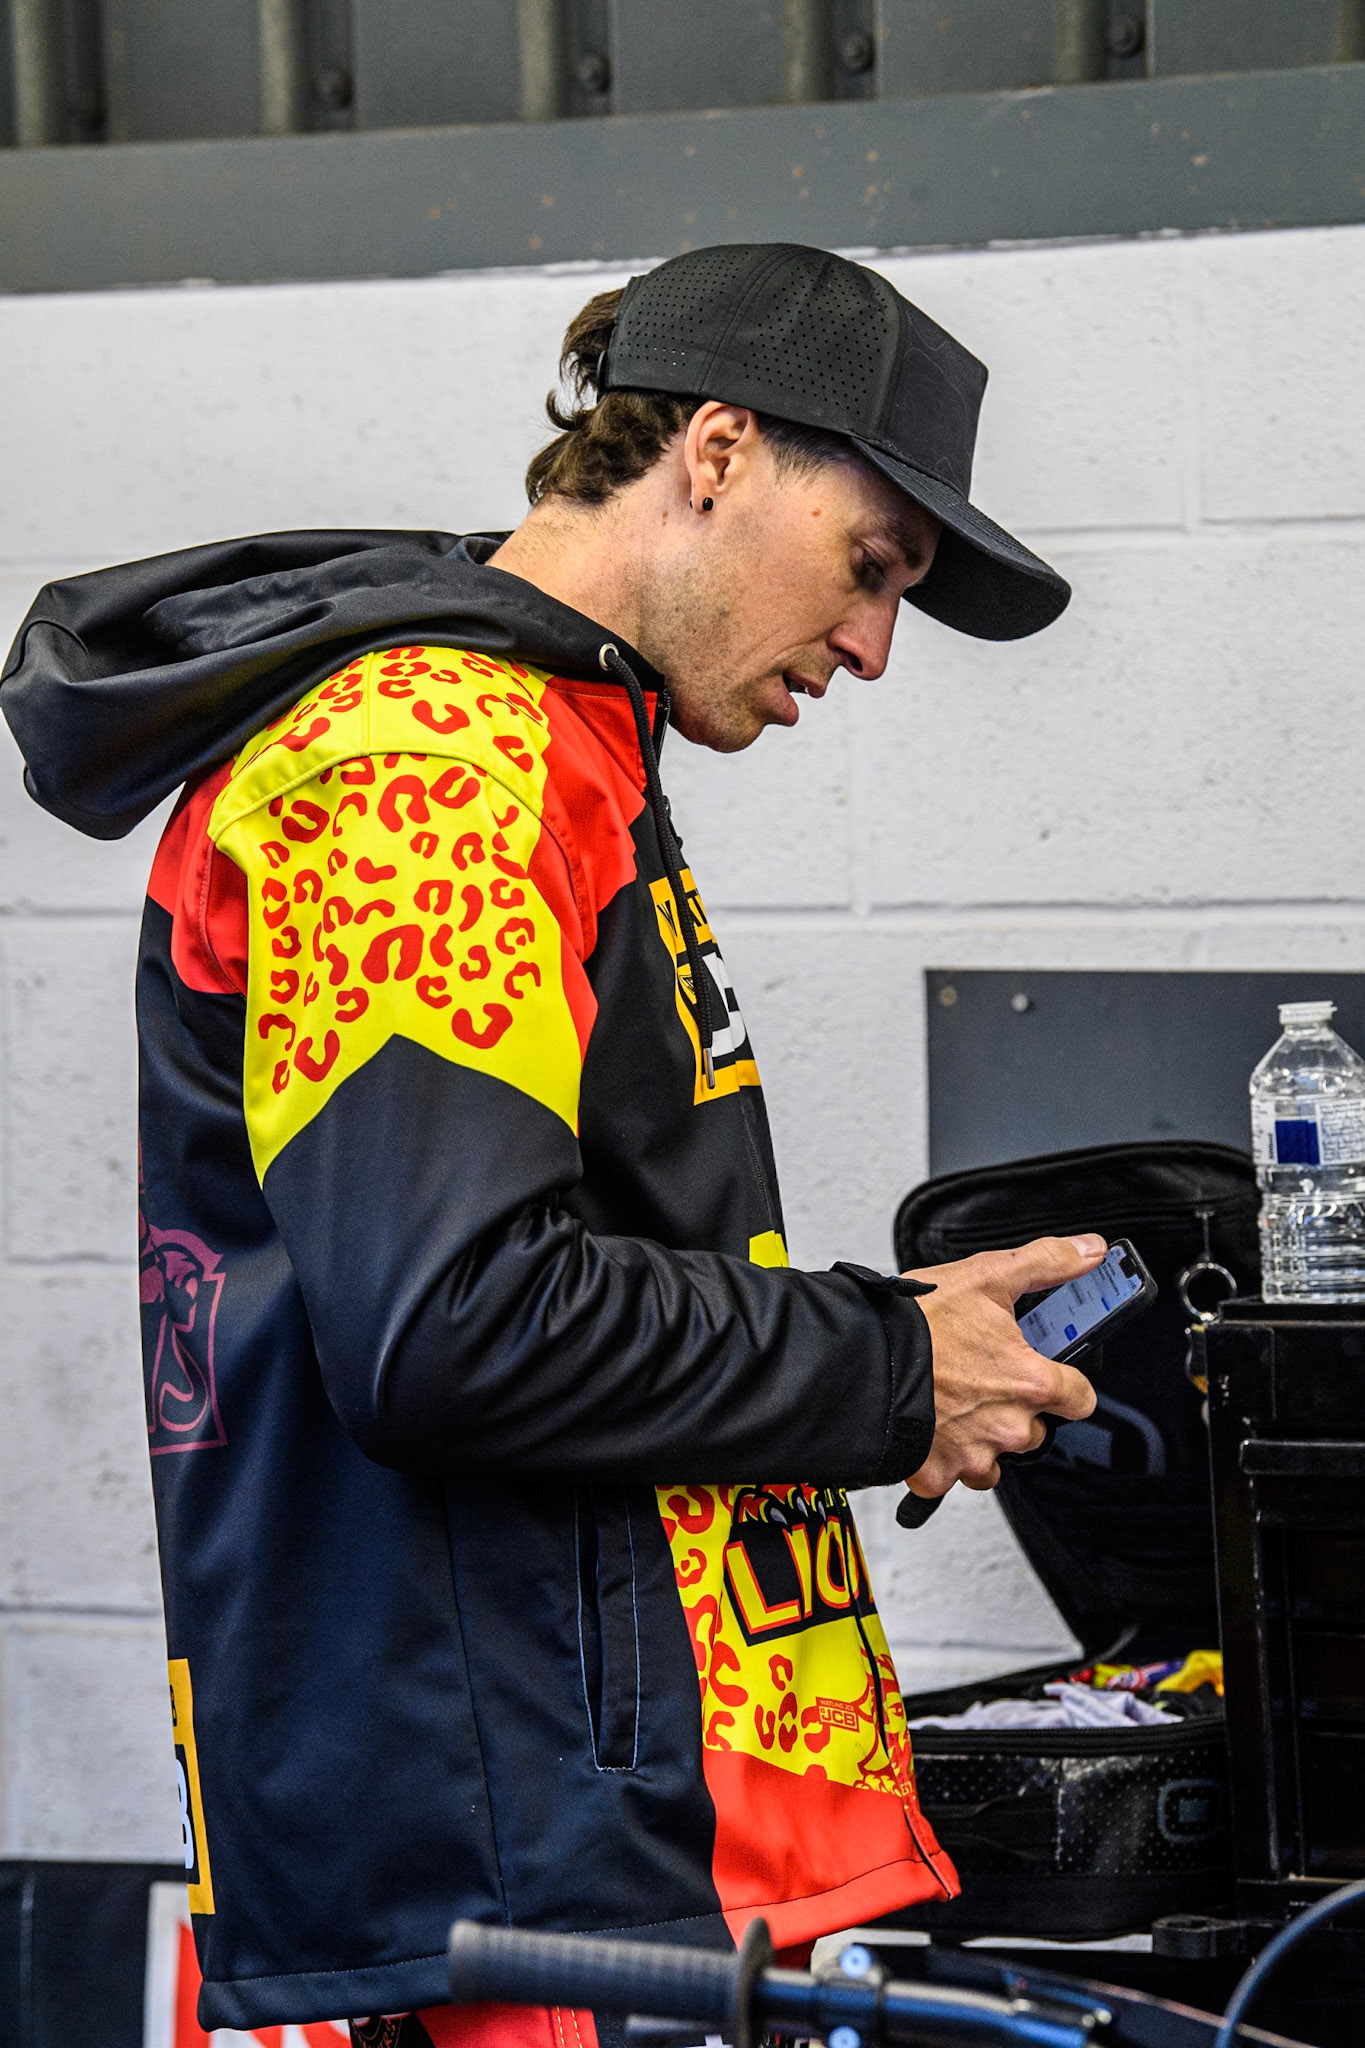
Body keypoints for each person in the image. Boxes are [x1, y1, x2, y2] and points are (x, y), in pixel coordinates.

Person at [0, 244, 1101, 2045]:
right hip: (505, 1869)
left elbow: (540, 1272)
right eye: (870, 569)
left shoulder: (550, 740)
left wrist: (893, 1343)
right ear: (721, 451)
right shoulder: (433, 760)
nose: (874, 647)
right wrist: (887, 1364)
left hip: (571, 1837)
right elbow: (462, 1325)